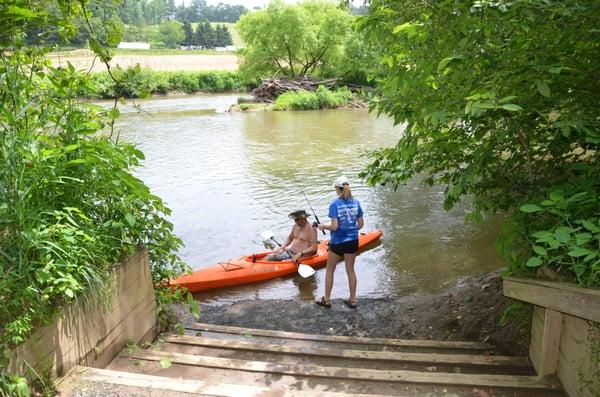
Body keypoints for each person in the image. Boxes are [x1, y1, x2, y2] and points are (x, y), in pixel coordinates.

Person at [316, 176, 363, 309]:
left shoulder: (334, 204)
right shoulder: (356, 203)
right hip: (353, 241)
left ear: (338, 188)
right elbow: (360, 224)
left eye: (335, 188)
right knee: (350, 270)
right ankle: (353, 300)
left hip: (337, 243)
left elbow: (335, 226)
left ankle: (326, 300)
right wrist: (350, 230)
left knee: (330, 270)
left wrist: (322, 226)